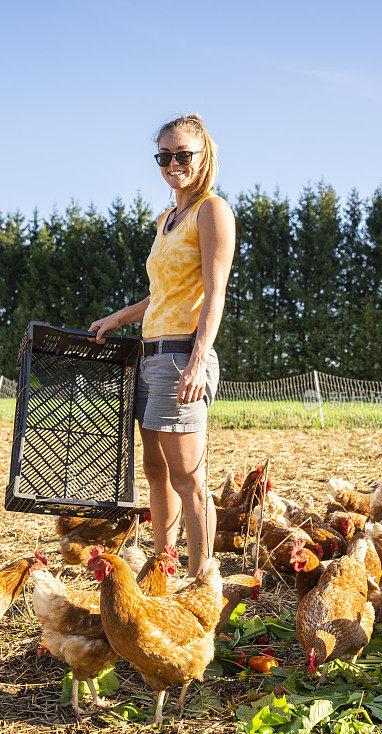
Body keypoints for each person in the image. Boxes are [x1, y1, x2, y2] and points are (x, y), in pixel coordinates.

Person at [89, 114, 235, 576]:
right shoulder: (167, 219)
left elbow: (215, 292)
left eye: (182, 154)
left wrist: (197, 360)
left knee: (190, 478)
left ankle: (199, 580)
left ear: (202, 156)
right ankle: (163, 566)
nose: (173, 163)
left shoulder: (211, 210)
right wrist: (119, 317)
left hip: (180, 356)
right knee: (156, 472)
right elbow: (164, 294)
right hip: (150, 356)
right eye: (164, 155)